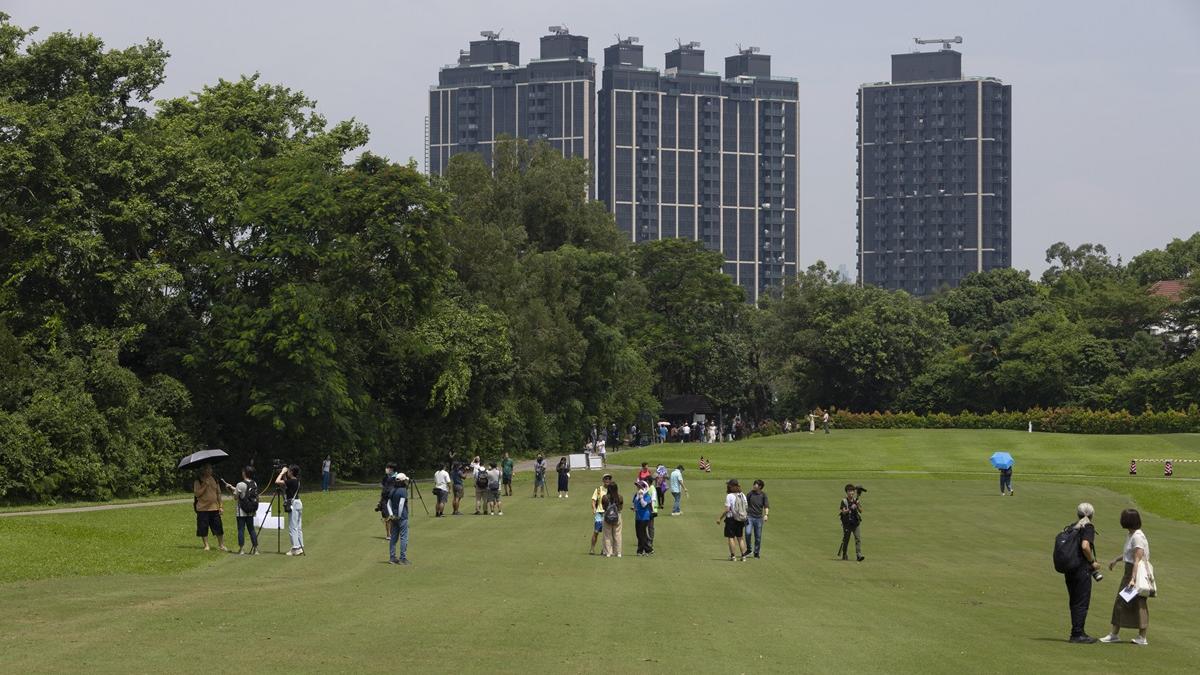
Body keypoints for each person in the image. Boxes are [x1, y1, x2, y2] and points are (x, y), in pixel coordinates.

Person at [1100, 509, 1151, 645]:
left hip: (1134, 575)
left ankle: (1139, 637)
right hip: (1130, 572)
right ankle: (1115, 634)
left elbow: (1137, 559)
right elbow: (1129, 555)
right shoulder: (1131, 534)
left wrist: (1133, 579)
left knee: (1135, 603)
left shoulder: (1137, 537)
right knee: (1123, 602)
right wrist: (1116, 559)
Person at [1061, 502, 1101, 643]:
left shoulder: (1072, 526)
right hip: (1081, 569)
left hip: (1070, 568)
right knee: (1081, 602)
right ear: (1091, 515)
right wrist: (1092, 562)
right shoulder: (1087, 526)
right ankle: (1077, 633)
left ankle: (1078, 631)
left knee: (1074, 600)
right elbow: (1085, 546)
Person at [225, 465, 259, 555]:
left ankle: (241, 549)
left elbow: (236, 497)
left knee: (241, 529)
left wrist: (230, 490)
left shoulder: (240, 484)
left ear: (245, 473)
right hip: (251, 510)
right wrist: (232, 487)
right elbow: (245, 492)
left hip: (241, 511)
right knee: (251, 529)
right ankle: (255, 549)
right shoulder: (254, 483)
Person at [193, 464, 228, 552]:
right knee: (203, 528)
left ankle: (221, 545)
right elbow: (197, 494)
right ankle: (206, 545)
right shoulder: (198, 481)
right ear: (203, 470)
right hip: (202, 509)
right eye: (208, 469)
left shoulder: (215, 479)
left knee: (218, 527)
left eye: (211, 469)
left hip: (214, 508)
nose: (210, 470)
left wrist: (220, 506)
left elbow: (218, 493)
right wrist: (205, 485)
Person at [717, 479, 748, 561]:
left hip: (731, 519)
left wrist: (720, 518)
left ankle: (733, 556)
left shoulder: (729, 496)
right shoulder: (742, 495)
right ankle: (743, 556)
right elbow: (746, 506)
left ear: (732, 486)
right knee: (740, 537)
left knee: (731, 538)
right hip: (741, 518)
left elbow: (727, 509)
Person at [276, 464, 304, 556]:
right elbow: (286, 483)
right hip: (298, 503)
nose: (287, 471)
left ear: (291, 472)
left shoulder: (291, 481)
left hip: (294, 505)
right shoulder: (296, 481)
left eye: (289, 470)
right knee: (298, 527)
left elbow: (277, 481)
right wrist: (284, 475)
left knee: (293, 527)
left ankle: (295, 548)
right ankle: (300, 546)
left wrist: (281, 472)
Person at [384, 472, 410, 565]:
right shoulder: (403, 491)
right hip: (402, 517)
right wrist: (398, 515)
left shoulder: (392, 490)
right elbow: (401, 504)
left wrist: (391, 515)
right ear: (403, 481)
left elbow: (388, 504)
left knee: (393, 537)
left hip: (394, 518)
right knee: (404, 537)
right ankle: (402, 558)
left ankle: (392, 558)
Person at [589, 474, 614, 555]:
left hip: (608, 513)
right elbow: (593, 500)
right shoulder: (598, 489)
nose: (607, 480)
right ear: (603, 480)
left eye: (609, 479)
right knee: (596, 532)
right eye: (606, 479)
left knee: (607, 533)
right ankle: (592, 549)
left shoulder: (612, 489)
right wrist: (594, 509)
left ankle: (604, 549)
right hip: (599, 513)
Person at [838, 484, 864, 562]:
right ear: (846, 492)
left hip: (855, 523)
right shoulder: (844, 501)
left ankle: (859, 555)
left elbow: (861, 511)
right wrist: (850, 508)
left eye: (852, 491)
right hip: (847, 524)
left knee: (858, 539)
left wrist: (857, 505)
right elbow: (843, 512)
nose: (851, 493)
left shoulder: (856, 500)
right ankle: (844, 554)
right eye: (849, 491)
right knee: (846, 540)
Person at [745, 480, 770, 559]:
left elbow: (766, 506)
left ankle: (756, 552)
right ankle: (749, 549)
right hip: (749, 517)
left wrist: (766, 515)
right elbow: (745, 504)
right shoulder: (750, 494)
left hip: (759, 518)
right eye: (754, 484)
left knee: (758, 537)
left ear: (760, 486)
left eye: (755, 484)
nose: (754, 485)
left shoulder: (763, 495)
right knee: (747, 533)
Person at [600, 484, 623, 558]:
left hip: (607, 516)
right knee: (617, 534)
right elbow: (621, 508)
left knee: (607, 535)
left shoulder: (605, 497)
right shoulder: (620, 497)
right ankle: (618, 552)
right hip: (617, 516)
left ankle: (608, 552)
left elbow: (603, 507)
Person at [634, 480, 654, 556]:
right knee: (639, 534)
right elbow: (635, 503)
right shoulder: (637, 495)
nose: (638, 488)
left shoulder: (647, 495)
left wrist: (641, 497)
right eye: (638, 486)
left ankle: (640, 551)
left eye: (640, 486)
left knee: (641, 534)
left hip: (644, 517)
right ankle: (648, 549)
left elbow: (644, 505)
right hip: (638, 517)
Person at [379, 462, 397, 536]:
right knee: (386, 516)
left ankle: (393, 533)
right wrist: (380, 500)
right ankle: (388, 534)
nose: (386, 469)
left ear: (392, 469)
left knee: (392, 516)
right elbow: (382, 487)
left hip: (393, 499)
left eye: (388, 468)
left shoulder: (397, 477)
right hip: (384, 499)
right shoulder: (385, 477)